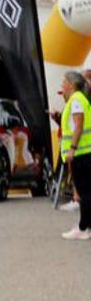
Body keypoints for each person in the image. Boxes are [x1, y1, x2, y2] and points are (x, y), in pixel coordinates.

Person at [59, 70, 91, 240]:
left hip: (81, 153)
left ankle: (83, 228)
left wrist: (72, 148)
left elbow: (78, 125)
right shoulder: (79, 98)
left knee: (84, 193)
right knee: (87, 192)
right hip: (85, 151)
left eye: (64, 83)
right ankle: (87, 226)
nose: (62, 86)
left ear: (71, 84)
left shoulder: (76, 100)